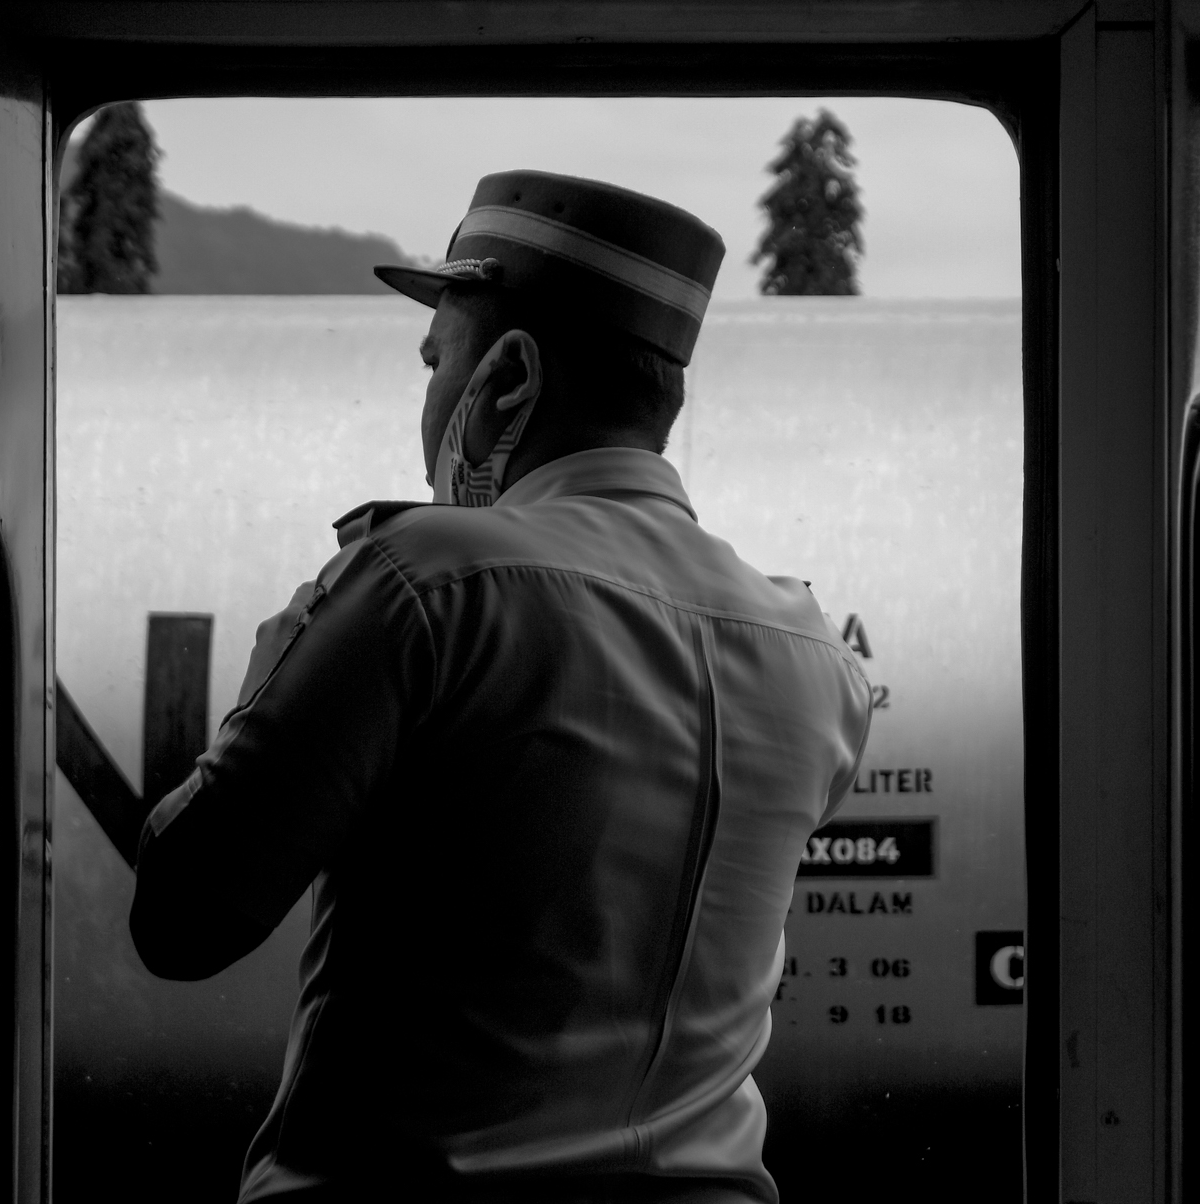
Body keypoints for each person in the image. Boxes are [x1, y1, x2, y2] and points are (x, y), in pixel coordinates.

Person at [130, 171, 873, 1203]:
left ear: (508, 378)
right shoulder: (814, 654)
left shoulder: (422, 583)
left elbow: (181, 920)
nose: (429, 401)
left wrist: (288, 651)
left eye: (437, 361)